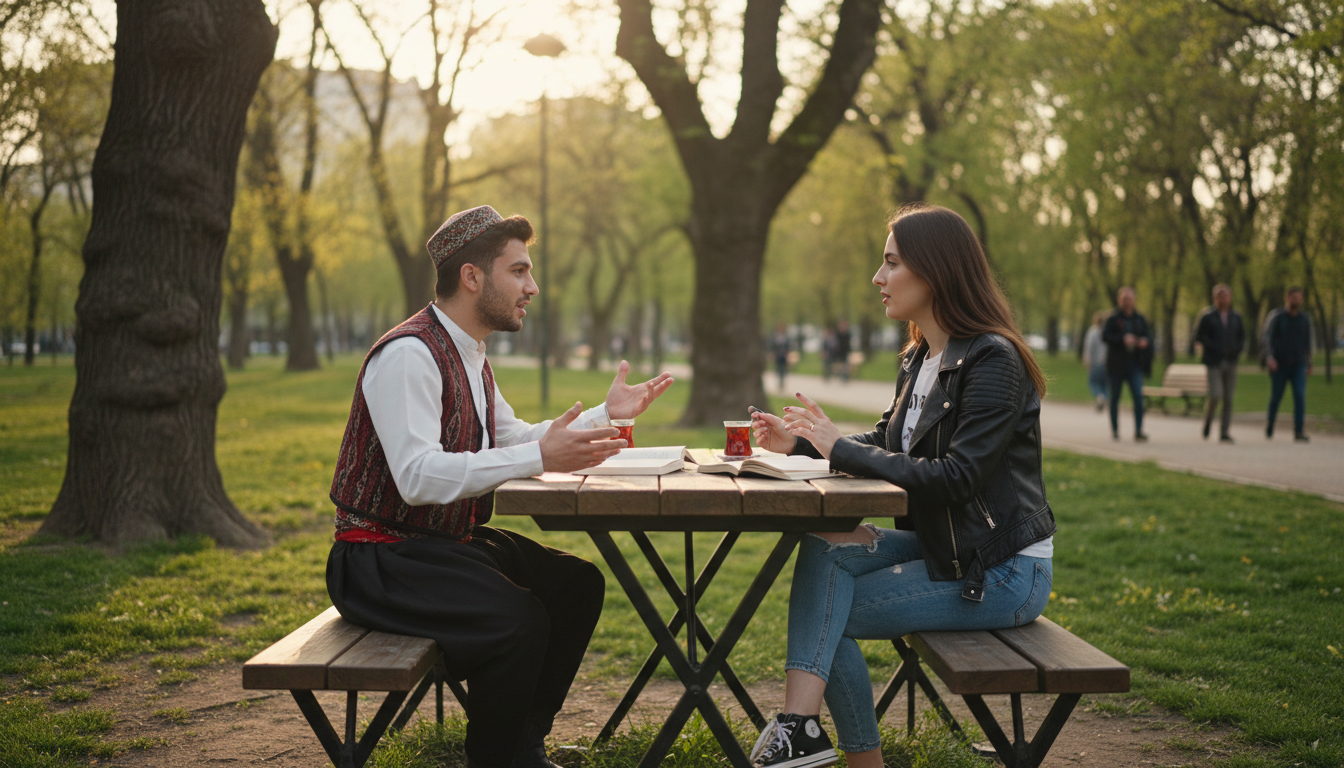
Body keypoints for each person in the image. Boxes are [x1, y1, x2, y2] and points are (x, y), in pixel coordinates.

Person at [325, 206, 675, 768]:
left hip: (435, 549)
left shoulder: (469, 355)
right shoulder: (410, 355)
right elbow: (416, 476)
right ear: (472, 277)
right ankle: (497, 758)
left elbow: (511, 436)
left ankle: (521, 744)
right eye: (519, 271)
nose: (531, 287)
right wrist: (538, 455)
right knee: (518, 619)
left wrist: (604, 416)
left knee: (576, 583)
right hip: (377, 562)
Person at [747, 204, 1055, 768]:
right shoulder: (922, 356)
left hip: (1003, 568)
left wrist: (840, 448)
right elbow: (894, 443)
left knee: (828, 612)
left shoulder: (994, 360)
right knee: (824, 544)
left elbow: (958, 478)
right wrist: (804, 443)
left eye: (891, 263)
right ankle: (801, 732)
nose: (877, 277)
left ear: (934, 271)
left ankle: (822, 745)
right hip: (950, 549)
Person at [1194, 283, 1245, 443]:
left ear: (1230, 298)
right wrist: (1212, 347)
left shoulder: (1236, 317)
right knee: (1216, 394)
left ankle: (1224, 432)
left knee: (1228, 397)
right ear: (1214, 298)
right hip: (1213, 362)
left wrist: (1237, 350)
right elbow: (1198, 336)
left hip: (1230, 361)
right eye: (1219, 296)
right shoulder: (1207, 316)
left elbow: (1242, 337)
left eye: (1225, 296)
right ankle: (1208, 421)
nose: (1222, 299)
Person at [1101, 286, 1152, 442]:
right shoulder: (1113, 318)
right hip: (1116, 365)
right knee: (1114, 398)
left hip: (1134, 365)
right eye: (1124, 298)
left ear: (1134, 300)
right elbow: (1105, 336)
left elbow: (1148, 336)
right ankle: (1115, 430)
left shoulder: (1140, 319)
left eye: (1129, 298)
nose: (1126, 301)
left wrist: (1144, 342)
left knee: (1138, 396)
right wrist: (1122, 339)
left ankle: (1138, 430)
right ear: (1119, 300)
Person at [1265, 285, 1313, 442]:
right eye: (1293, 297)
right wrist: (1270, 358)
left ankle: (1299, 431)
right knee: (1276, 397)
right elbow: (1267, 338)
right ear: (1287, 298)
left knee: (1299, 396)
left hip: (1298, 364)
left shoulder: (1304, 319)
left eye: (1299, 298)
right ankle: (1270, 424)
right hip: (1279, 364)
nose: (1296, 300)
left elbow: (1308, 342)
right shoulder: (1277, 317)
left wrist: (1309, 362)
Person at [1083, 310, 1108, 412]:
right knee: (1104, 384)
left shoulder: (1092, 332)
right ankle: (1104, 398)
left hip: (1095, 363)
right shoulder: (1107, 331)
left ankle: (1100, 397)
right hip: (1106, 364)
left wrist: (1087, 360)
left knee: (1093, 383)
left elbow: (1089, 347)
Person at [770, 322, 792, 391]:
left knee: (783, 369)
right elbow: (773, 346)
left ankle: (782, 382)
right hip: (777, 355)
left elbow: (788, 347)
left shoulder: (786, 337)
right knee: (778, 369)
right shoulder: (775, 337)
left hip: (784, 356)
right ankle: (779, 382)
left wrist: (787, 354)